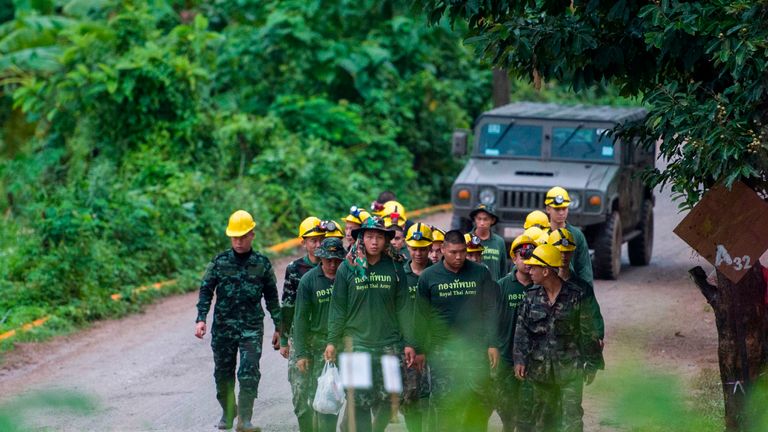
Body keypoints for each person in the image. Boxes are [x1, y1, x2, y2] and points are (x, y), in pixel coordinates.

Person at [195, 210, 281, 432]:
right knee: (223, 373)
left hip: (251, 328)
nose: (239, 241)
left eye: (243, 236)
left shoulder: (261, 263)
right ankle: (228, 412)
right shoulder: (219, 262)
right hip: (224, 328)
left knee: (249, 371)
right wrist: (201, 318)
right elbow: (206, 290)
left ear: (252, 234)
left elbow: (272, 296)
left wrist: (280, 327)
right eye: (235, 237)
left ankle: (245, 418)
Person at [407, 230, 500, 432]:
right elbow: (420, 315)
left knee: (477, 402)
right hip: (442, 351)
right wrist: (419, 348)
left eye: (462, 252)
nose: (458, 257)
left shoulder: (480, 273)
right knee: (444, 404)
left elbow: (490, 309)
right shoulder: (428, 277)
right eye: (453, 252)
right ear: (442, 250)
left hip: (475, 349)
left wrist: (493, 343)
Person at [324, 217, 408, 432]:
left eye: (379, 237)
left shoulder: (396, 267)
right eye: (370, 236)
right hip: (356, 344)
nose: (374, 242)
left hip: (389, 343)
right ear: (361, 238)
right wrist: (332, 341)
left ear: (386, 241)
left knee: (392, 396)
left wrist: (410, 342)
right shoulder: (347, 268)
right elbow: (338, 308)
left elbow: (404, 307)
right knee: (359, 401)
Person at [513, 244, 602, 432]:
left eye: (534, 267)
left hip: (569, 371)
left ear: (546, 271)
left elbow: (588, 332)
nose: (530, 270)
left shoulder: (576, 296)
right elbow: (522, 330)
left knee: (572, 422)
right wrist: (519, 359)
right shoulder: (530, 297)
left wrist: (593, 363)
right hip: (540, 372)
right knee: (543, 423)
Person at [293, 237, 346, 432]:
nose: (332, 264)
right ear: (321, 258)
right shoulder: (309, 281)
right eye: (328, 260)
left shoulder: (348, 278)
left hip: (347, 346)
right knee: (325, 398)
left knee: (354, 399)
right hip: (319, 349)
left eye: (336, 260)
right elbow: (300, 319)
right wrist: (301, 353)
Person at [280, 216, 324, 432]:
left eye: (320, 239)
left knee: (321, 393)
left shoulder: (334, 267)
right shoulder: (294, 269)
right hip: (299, 337)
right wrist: (283, 338)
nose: (317, 244)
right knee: (299, 393)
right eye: (312, 240)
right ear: (303, 242)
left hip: (323, 338)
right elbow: (287, 304)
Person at [494, 235, 536, 432]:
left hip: (532, 359)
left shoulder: (540, 287)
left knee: (528, 416)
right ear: (514, 259)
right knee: (507, 413)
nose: (527, 261)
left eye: (532, 256)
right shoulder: (502, 286)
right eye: (523, 255)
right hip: (505, 358)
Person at [548, 228, 606, 349]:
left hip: (573, 354)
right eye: (560, 251)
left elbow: (594, 314)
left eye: (567, 252)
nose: (564, 256)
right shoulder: (541, 285)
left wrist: (598, 336)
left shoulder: (582, 287)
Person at [401, 223, 433, 432]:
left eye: (423, 248)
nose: (418, 253)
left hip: (434, 344)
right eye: (414, 248)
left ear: (430, 247)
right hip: (408, 345)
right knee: (410, 395)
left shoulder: (438, 273)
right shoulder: (400, 275)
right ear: (407, 247)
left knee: (434, 396)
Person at [544, 186, 593, 285]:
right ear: (548, 209)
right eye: (557, 209)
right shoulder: (542, 235)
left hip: (570, 291)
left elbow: (584, 268)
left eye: (564, 208)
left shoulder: (576, 235)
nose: (561, 213)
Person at [469, 204, 508, 281]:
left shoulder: (499, 242)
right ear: (474, 219)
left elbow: (503, 270)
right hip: (472, 289)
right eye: (479, 219)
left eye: (485, 219)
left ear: (492, 220)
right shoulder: (466, 239)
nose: (482, 223)